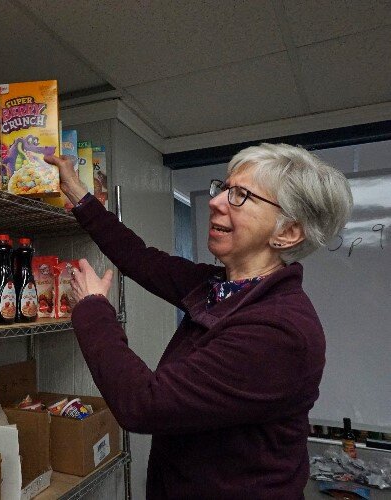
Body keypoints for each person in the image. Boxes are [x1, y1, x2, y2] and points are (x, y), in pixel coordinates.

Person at [45, 143, 353, 499]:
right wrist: (77, 193)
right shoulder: (224, 287)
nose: (216, 201)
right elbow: (139, 258)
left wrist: (93, 307)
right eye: (223, 188)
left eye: (241, 196)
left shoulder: (279, 330)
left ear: (287, 232)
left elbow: (143, 405)